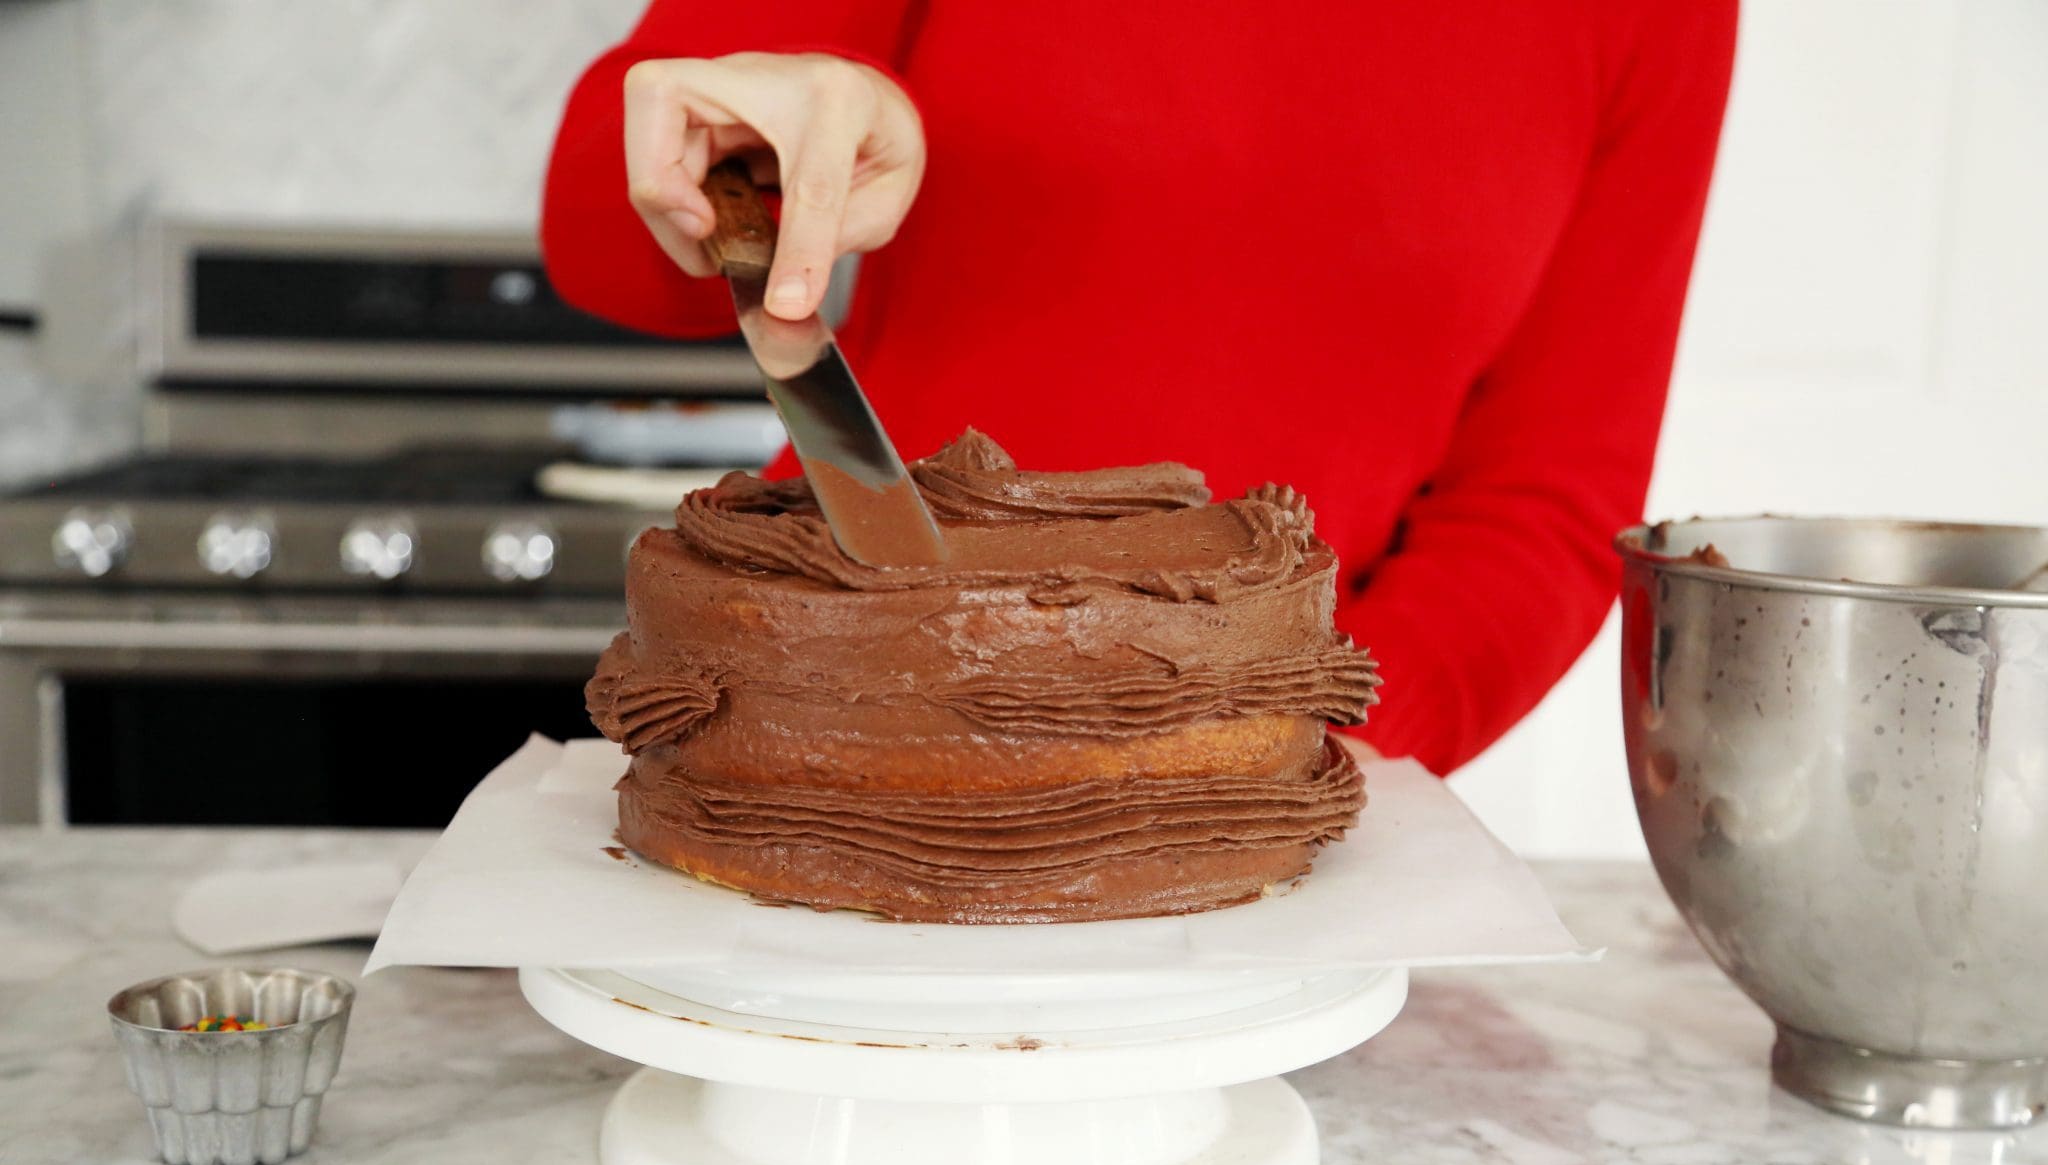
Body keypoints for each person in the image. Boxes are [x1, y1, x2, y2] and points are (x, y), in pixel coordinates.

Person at [542, 1, 1737, 774]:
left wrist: (1251, 757)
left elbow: (1544, 508)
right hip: (830, 737)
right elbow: (611, 250)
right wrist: (740, 118)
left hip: (1258, 830)